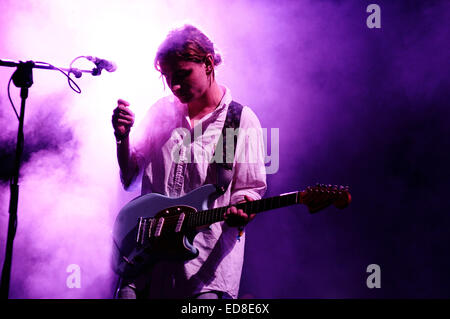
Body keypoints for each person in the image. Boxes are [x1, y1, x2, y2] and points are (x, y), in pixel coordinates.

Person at [111, 24, 267, 299]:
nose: (176, 86)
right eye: (169, 78)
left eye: (183, 74)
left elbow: (248, 191)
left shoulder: (237, 122)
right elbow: (130, 179)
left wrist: (243, 208)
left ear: (208, 63)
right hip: (145, 265)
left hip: (203, 273)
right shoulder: (161, 112)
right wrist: (122, 138)